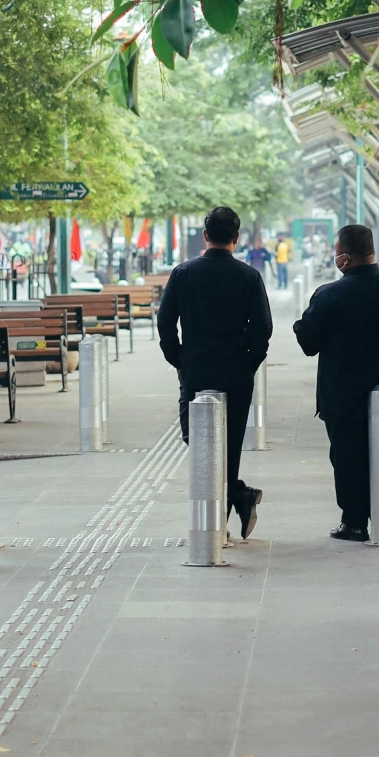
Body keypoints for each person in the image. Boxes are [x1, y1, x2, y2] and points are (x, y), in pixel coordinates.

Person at [293, 223, 379, 541]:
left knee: (348, 460)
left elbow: (308, 341)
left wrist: (301, 323)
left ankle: (354, 522)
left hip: (343, 397)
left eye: (336, 253)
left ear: (344, 257)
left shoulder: (329, 295)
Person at [156, 204, 272, 540]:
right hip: (236, 372)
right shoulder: (249, 276)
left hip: (195, 371)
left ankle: (220, 519)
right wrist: (249, 361)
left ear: (205, 236)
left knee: (196, 439)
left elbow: (165, 322)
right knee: (230, 445)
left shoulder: (183, 273)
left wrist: (178, 358)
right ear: (236, 238)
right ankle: (234, 498)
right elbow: (262, 328)